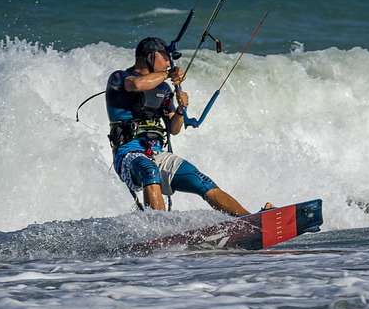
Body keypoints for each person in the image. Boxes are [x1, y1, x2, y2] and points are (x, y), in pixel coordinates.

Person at [106, 36, 272, 216]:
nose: (169, 63)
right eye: (165, 57)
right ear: (149, 56)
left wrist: (179, 111)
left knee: (201, 181)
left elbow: (174, 129)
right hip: (128, 155)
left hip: (157, 153)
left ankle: (250, 220)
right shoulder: (119, 77)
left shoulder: (164, 89)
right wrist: (168, 75)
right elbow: (137, 84)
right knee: (149, 171)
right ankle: (157, 230)